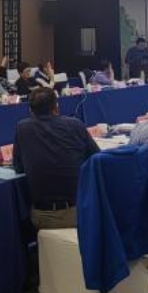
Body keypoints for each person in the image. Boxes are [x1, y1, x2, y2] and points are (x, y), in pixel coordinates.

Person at [13, 87, 99, 229]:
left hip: (41, 216)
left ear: (30, 111)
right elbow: (96, 159)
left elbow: (19, 166)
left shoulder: (22, 128)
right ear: (56, 107)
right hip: (77, 212)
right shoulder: (74, 124)